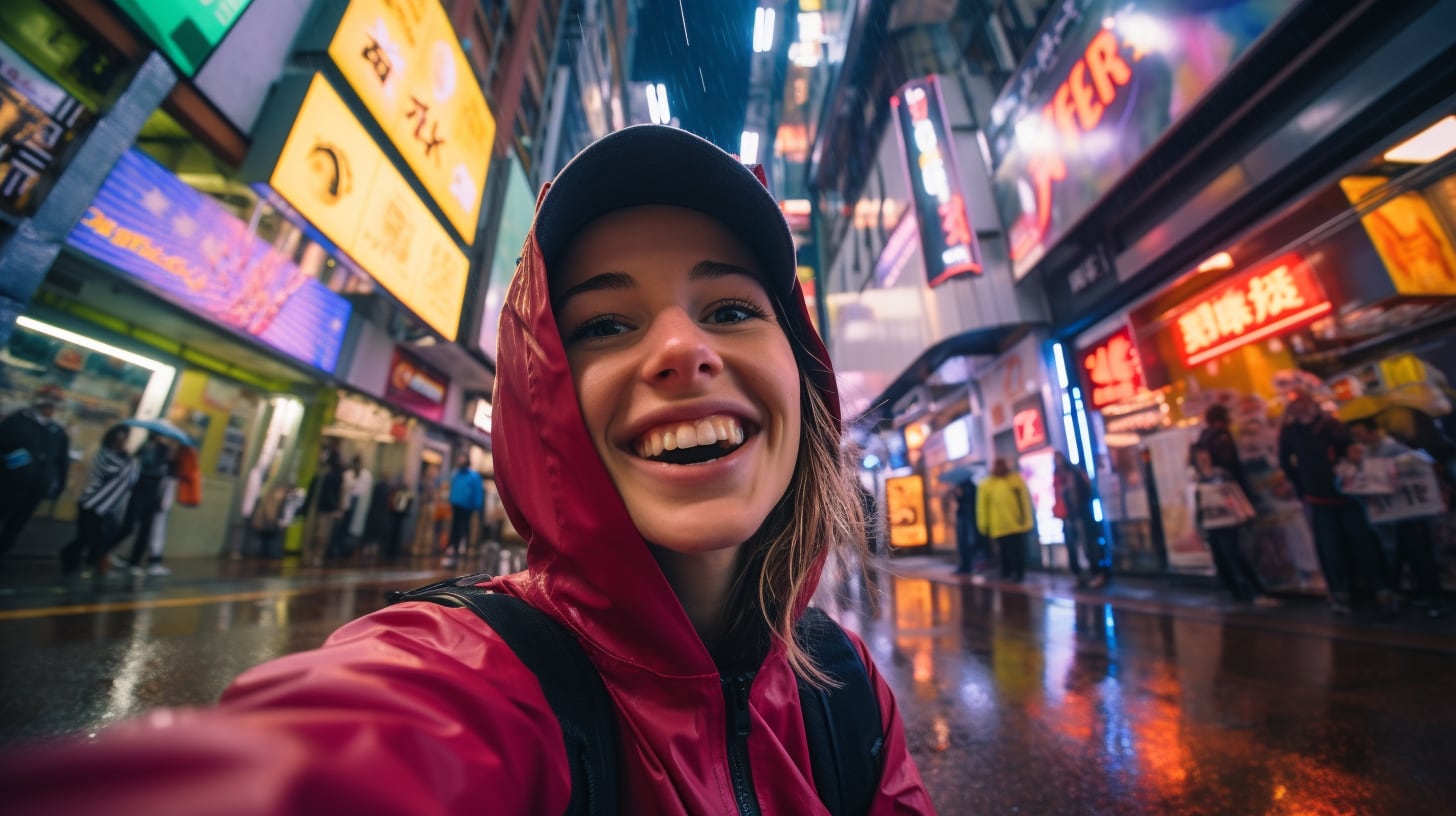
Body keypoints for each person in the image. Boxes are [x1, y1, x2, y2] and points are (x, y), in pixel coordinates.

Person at [0, 124, 934, 813]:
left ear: (802, 372)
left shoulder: (847, 692)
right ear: (541, 397)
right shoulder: (465, 682)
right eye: (604, 325)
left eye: (731, 309)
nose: (683, 352)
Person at [1278, 392, 1396, 614]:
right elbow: (1285, 462)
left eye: (1304, 402)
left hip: (1345, 495)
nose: (1301, 408)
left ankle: (1381, 588)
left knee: (1363, 542)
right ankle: (1340, 592)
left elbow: (1348, 448)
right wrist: (1302, 485)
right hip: (1318, 498)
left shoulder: (1331, 424)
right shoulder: (1290, 431)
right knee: (1330, 548)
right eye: (1296, 404)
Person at [1347, 419, 1442, 617]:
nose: (1358, 439)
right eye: (1355, 435)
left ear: (1374, 432)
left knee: (1416, 556)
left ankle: (1427, 596)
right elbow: (1348, 485)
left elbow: (1425, 462)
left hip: (1406, 517)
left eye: (1360, 433)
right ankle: (1404, 593)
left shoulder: (1395, 448)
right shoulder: (1362, 454)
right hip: (1385, 519)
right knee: (1394, 557)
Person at [1192, 446, 1278, 606]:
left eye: (1205, 455)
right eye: (1199, 456)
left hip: (1228, 521)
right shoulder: (1196, 479)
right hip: (1210, 524)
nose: (1203, 459)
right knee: (1221, 559)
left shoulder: (1221, 474)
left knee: (1234, 554)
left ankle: (1256, 591)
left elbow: (1235, 493)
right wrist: (1198, 525)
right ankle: (1235, 592)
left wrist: (1244, 512)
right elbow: (1195, 505)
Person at [0, 384, 70, 561]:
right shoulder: (17, 421)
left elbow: (61, 462)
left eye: (54, 404)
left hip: (35, 490)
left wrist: (58, 487)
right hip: (7, 485)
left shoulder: (57, 431)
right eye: (48, 402)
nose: (50, 408)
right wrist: (11, 459)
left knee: (15, 526)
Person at [59, 424, 138, 578]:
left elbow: (131, 478)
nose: (124, 442)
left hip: (110, 506)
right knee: (86, 536)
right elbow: (108, 472)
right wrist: (128, 461)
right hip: (91, 502)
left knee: (102, 538)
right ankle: (70, 558)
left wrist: (129, 459)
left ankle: (89, 563)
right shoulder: (102, 454)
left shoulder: (126, 459)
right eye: (122, 438)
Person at [117, 434, 173, 575]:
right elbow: (137, 463)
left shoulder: (163, 449)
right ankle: (105, 552)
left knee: (145, 530)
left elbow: (163, 467)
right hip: (139, 490)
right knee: (129, 525)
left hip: (153, 493)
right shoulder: (145, 447)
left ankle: (135, 561)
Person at [1053, 452, 1108, 587]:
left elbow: (1086, 492)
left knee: (1088, 545)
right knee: (1073, 547)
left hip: (1081, 515)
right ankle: (1079, 575)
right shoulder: (1058, 478)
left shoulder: (1075, 474)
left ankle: (1096, 573)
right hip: (1069, 516)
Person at [979, 457, 1034, 581]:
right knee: (1005, 552)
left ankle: (1017, 574)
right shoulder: (988, 484)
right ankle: (1008, 573)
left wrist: (1027, 521)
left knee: (1017, 551)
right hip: (1000, 526)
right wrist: (983, 525)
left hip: (1016, 524)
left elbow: (1025, 502)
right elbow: (982, 507)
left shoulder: (1015, 481)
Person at [443, 452, 483, 568]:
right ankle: (453, 548)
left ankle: (463, 548)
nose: (461, 461)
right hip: (455, 505)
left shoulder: (474, 476)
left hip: (467, 506)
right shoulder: (456, 474)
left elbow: (477, 491)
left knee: (465, 528)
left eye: (463, 458)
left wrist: (477, 505)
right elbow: (452, 487)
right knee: (454, 527)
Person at [305, 446, 344, 565]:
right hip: (323, 508)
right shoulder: (329, 474)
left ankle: (313, 555)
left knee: (318, 533)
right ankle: (313, 555)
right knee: (319, 533)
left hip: (321, 508)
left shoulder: (325, 473)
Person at [951, 477, 978, 573]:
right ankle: (965, 565)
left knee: (965, 542)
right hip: (965, 517)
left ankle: (967, 566)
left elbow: (966, 501)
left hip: (967, 518)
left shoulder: (969, 488)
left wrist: (959, 494)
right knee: (963, 543)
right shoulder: (966, 487)